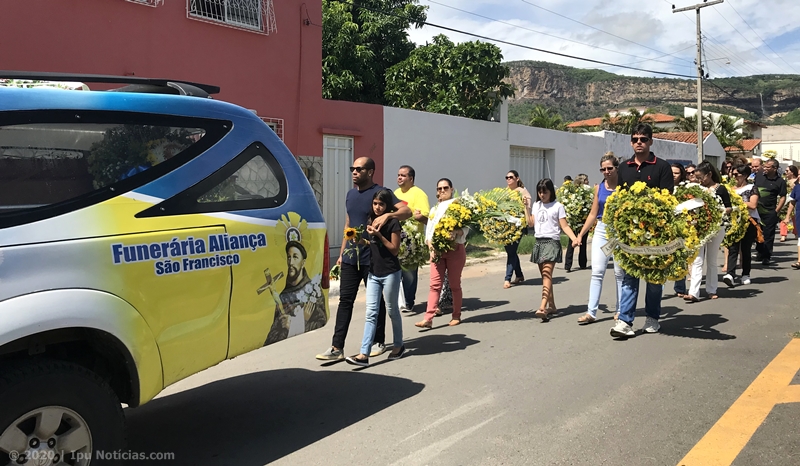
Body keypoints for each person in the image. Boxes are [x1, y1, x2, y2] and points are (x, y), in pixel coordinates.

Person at [316, 157, 411, 361]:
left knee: (377, 304)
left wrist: (388, 216)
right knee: (345, 301)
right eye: (353, 168)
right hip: (351, 257)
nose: (354, 172)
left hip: (373, 257)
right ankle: (337, 347)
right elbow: (348, 224)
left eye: (359, 169)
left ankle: (378, 341)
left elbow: (407, 211)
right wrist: (342, 253)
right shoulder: (350, 194)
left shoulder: (381, 192)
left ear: (370, 172)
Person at [610, 124, 674, 338]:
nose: (639, 142)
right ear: (631, 142)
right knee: (630, 276)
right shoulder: (624, 167)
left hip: (656, 234)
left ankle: (652, 318)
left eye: (643, 139)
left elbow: (668, 199)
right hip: (630, 234)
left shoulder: (662, 166)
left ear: (650, 141)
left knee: (654, 279)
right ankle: (624, 321)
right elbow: (620, 197)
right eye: (635, 139)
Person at [346, 190, 406, 366]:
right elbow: (372, 244)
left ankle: (398, 345)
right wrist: (361, 241)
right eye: (375, 204)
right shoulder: (370, 220)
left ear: (387, 206)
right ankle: (364, 354)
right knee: (371, 313)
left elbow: (394, 250)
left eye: (381, 204)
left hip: (390, 273)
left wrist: (379, 235)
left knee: (392, 310)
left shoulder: (393, 223)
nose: (377, 207)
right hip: (373, 273)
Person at [574, 153, 623, 324]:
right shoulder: (599, 188)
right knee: (597, 271)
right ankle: (591, 312)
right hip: (602, 229)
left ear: (616, 168)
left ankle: (620, 310)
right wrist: (580, 234)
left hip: (619, 231)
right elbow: (593, 214)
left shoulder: (624, 186)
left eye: (610, 168)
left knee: (619, 272)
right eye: (603, 169)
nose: (606, 172)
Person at [415, 178, 468, 328]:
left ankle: (456, 315)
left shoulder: (458, 206)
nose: (442, 191)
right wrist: (431, 247)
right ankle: (428, 318)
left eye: (445, 188)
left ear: (452, 189)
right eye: (439, 188)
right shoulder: (434, 209)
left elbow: (466, 229)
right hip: (437, 251)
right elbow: (429, 231)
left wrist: (456, 232)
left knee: (454, 285)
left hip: (455, 250)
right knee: (434, 285)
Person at [528, 178, 578, 321]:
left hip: (552, 242)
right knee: (545, 277)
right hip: (539, 242)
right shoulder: (536, 205)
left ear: (551, 192)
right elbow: (530, 223)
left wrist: (574, 238)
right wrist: (526, 208)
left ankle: (542, 307)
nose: (542, 195)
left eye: (545, 192)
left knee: (547, 274)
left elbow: (564, 226)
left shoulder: (557, 206)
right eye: (540, 192)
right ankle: (552, 306)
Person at [684, 161, 732, 302]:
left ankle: (712, 289)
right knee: (697, 260)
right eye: (697, 178)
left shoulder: (721, 189)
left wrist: (719, 210)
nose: (699, 180)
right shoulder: (696, 189)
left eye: (701, 177)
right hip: (699, 228)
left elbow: (729, 207)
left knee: (711, 260)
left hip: (716, 227)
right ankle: (694, 292)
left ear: (709, 174)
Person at [394, 165, 430, 312]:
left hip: (412, 240)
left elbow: (425, 215)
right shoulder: (395, 193)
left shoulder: (419, 194)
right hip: (396, 237)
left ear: (411, 178)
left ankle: (408, 302)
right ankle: (398, 301)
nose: (399, 177)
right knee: (395, 271)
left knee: (409, 273)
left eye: (403, 175)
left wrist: (415, 215)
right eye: (398, 175)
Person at [723, 164, 761, 285]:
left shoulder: (751, 188)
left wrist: (736, 202)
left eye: (736, 174)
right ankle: (730, 273)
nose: (733, 177)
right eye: (732, 174)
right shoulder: (729, 189)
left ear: (744, 175)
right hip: (733, 221)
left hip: (748, 220)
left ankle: (745, 274)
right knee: (732, 248)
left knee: (745, 248)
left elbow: (753, 205)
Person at [753, 158, 786, 266]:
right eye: (765, 166)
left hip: (770, 212)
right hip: (756, 210)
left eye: (768, 167)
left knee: (768, 235)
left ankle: (766, 256)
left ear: (774, 168)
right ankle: (760, 251)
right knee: (756, 233)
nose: (765, 169)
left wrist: (777, 210)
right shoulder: (759, 176)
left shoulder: (780, 182)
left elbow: (783, 197)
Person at [503, 170, 532, 288]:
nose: (508, 179)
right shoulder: (504, 192)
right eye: (507, 177)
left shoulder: (522, 191)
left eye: (511, 177)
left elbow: (528, 207)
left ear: (517, 178)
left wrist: (525, 204)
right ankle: (519, 275)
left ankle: (507, 278)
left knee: (511, 251)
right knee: (511, 251)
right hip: (505, 226)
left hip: (518, 226)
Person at [670, 163, 689, 297]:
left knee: (681, 257)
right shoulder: (663, 186)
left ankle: (680, 287)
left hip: (681, 226)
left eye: (676, 173)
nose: (673, 175)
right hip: (666, 225)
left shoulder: (685, 189)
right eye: (671, 172)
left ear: (681, 174)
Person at [564, 174, 589, 272]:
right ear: (582, 181)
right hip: (576, 220)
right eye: (586, 180)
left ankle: (571, 264)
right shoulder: (582, 192)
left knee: (579, 242)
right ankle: (577, 264)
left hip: (581, 219)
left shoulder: (576, 192)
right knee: (574, 241)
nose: (588, 182)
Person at [780, 165, 798, 242]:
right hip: (785, 201)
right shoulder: (784, 180)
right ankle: (783, 234)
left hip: (794, 200)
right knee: (784, 217)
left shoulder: (797, 180)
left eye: (787, 171)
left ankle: (796, 232)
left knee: (795, 218)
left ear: (792, 172)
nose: (786, 172)